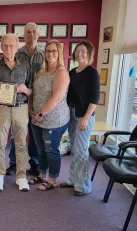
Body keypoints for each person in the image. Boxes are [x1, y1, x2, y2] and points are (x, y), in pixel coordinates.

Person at [0, 33, 32, 192]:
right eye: (5, 46)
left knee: (21, 144)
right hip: (3, 109)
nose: (8, 49)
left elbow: (31, 89)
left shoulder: (25, 65)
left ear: (17, 46)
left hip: (21, 107)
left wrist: (26, 90)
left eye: (11, 46)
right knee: (0, 144)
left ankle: (21, 177)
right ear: (1, 47)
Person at [29, 40, 70, 191]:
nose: (50, 54)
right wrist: (30, 109)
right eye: (48, 51)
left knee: (51, 149)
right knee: (40, 149)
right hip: (37, 118)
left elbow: (57, 97)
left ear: (59, 53)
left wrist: (41, 113)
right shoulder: (41, 71)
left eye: (53, 51)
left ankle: (52, 179)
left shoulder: (61, 72)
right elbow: (33, 92)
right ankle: (42, 174)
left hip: (54, 119)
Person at [60, 41, 100, 196]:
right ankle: (72, 180)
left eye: (83, 51)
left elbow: (95, 98)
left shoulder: (92, 72)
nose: (80, 54)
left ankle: (84, 186)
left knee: (80, 150)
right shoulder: (72, 72)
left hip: (84, 115)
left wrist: (86, 118)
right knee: (74, 149)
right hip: (72, 114)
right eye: (77, 51)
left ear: (89, 53)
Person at [6, 22, 44, 176]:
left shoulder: (43, 54)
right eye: (28, 32)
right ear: (24, 35)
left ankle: (34, 163)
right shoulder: (18, 53)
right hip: (20, 98)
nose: (31, 35)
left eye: (34, 32)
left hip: (38, 98)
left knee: (34, 133)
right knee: (17, 133)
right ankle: (13, 163)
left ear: (38, 35)